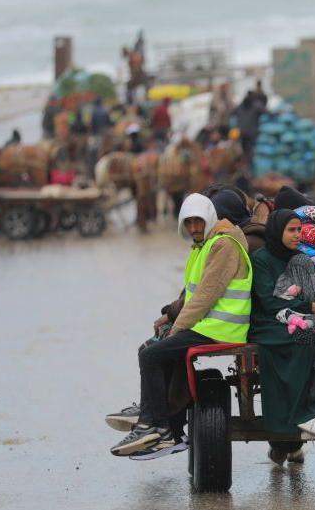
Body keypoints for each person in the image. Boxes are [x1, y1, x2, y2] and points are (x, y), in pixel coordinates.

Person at [108, 194, 253, 458]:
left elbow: (205, 296)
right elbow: (191, 292)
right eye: (189, 223)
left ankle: (155, 426)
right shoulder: (204, 245)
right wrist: (171, 321)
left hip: (221, 329)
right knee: (153, 347)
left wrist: (178, 329)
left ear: (209, 218)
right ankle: (160, 421)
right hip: (208, 325)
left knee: (151, 355)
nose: (194, 228)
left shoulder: (224, 245)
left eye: (199, 221)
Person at [249, 210, 315, 463]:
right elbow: (270, 300)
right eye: (291, 230)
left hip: (298, 319)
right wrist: (310, 307)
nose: (297, 235)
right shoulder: (261, 260)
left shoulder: (301, 258)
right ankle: (299, 417)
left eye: (299, 230)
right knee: (308, 337)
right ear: (278, 231)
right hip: (270, 322)